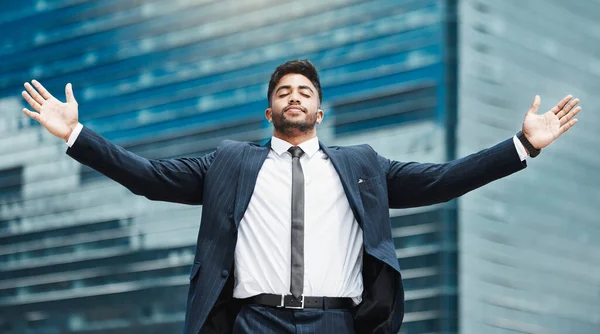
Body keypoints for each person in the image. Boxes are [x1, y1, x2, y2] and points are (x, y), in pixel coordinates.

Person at [21, 59, 581, 334]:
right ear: (269, 112)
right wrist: (76, 135)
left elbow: (440, 180)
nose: (295, 97)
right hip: (252, 322)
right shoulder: (229, 163)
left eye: (305, 92)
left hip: (335, 323)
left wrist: (521, 146)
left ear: (320, 111)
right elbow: (147, 176)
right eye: (284, 92)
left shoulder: (362, 166)